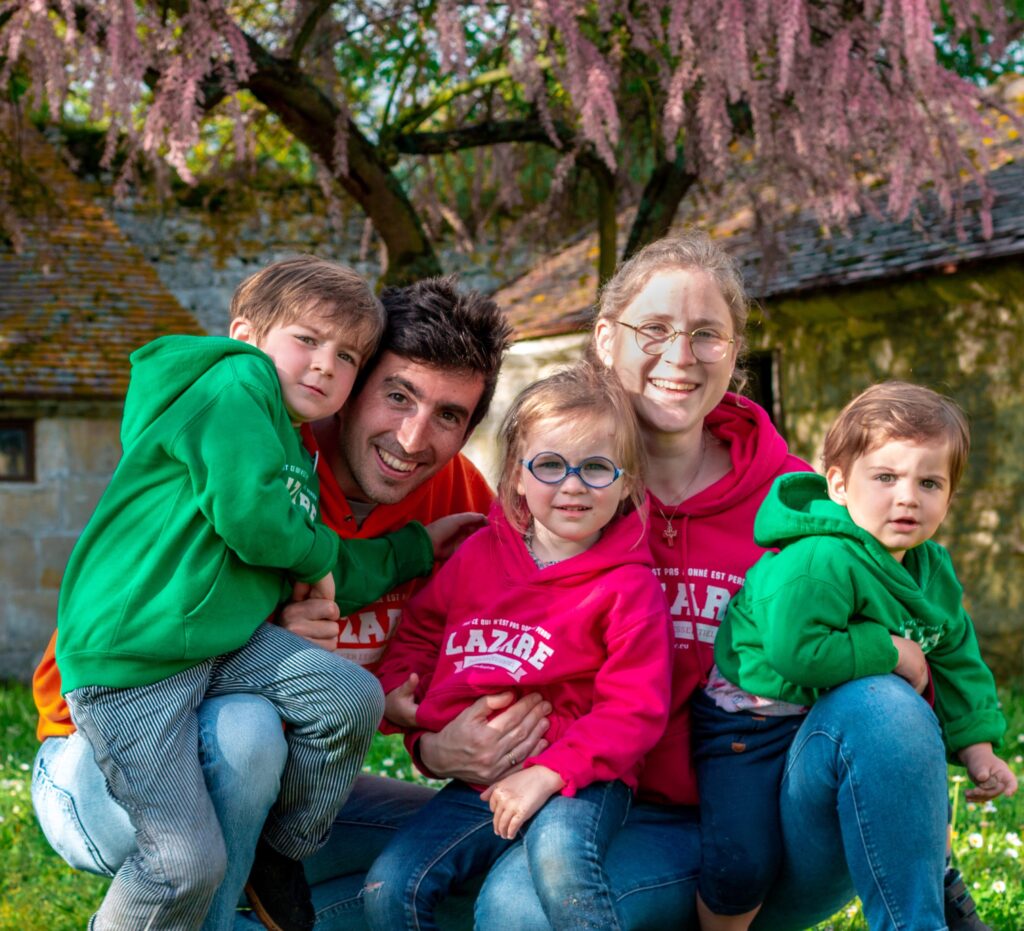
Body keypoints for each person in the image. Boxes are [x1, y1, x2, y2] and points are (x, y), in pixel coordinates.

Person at [468, 231, 968, 931]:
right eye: (656, 329)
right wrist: (434, 736)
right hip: (619, 820)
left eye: (707, 333)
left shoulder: (801, 504)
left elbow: (918, 653)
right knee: (517, 908)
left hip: (785, 810)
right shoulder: (557, 497)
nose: (681, 355)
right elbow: (476, 644)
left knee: (881, 703)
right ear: (607, 338)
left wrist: (904, 658)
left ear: (733, 353)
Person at [30, 274, 514, 931]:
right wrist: (276, 618)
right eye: (397, 395)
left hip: (276, 790)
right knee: (247, 731)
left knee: (469, 850)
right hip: (99, 745)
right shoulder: (263, 433)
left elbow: (476, 658)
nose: (411, 437)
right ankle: (195, 896)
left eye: (449, 415)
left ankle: (262, 892)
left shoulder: (458, 500)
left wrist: (435, 738)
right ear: (352, 389)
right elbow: (237, 547)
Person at [362, 363, 675, 930]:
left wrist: (549, 772)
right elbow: (419, 633)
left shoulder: (628, 586)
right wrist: (397, 692)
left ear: (628, 482)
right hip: (479, 783)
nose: (573, 485)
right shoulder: (479, 556)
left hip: (580, 781)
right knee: (390, 886)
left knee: (559, 858)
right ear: (518, 476)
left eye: (597, 468)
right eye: (551, 466)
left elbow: (636, 709)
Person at [694, 381, 1016, 931]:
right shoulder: (819, 557)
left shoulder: (931, 569)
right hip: (750, 726)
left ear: (949, 497)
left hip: (829, 722)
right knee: (741, 861)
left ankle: (933, 889)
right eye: (886, 477)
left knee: (912, 769)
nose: (908, 497)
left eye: (930, 482)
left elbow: (956, 656)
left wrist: (978, 745)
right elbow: (798, 653)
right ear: (839, 484)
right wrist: (890, 652)